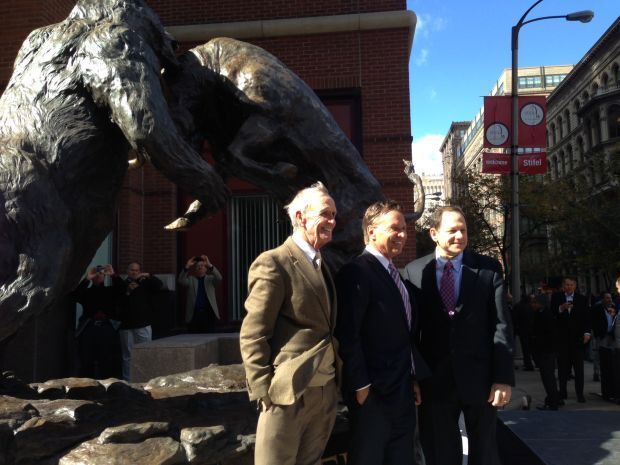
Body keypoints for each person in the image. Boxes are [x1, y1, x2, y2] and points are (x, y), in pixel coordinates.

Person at [403, 205, 514, 465]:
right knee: (441, 453)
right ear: (434, 233)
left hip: (481, 380)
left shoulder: (488, 269)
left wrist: (502, 378)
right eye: (452, 230)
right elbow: (410, 332)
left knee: (485, 453)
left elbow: (502, 325)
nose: (459, 236)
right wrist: (414, 377)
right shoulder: (414, 272)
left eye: (463, 230)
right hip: (435, 382)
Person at [239, 181, 340, 465]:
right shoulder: (273, 262)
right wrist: (264, 391)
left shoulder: (322, 264)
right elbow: (253, 332)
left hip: (325, 393)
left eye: (334, 215)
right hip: (286, 394)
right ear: (299, 217)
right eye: (325, 213)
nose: (332, 221)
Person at [336, 201, 426, 465]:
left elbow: (403, 336)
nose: (402, 234)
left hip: (402, 392)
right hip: (373, 396)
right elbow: (348, 334)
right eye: (394, 228)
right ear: (372, 231)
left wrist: (412, 378)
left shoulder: (395, 276)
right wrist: (361, 387)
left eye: (404, 229)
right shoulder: (357, 271)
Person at [112, 262, 162, 381]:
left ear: (140, 271)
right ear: (127, 271)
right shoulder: (122, 284)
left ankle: (146, 380)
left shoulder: (145, 282)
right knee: (127, 356)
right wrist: (127, 290)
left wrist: (148, 275)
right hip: (126, 325)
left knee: (145, 353)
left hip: (142, 324)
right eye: (132, 270)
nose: (134, 272)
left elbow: (159, 284)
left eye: (137, 270)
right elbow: (118, 298)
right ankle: (128, 381)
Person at [71, 265, 122, 379]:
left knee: (107, 359)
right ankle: (86, 385)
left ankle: (107, 386)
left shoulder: (110, 291)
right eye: (97, 274)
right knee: (86, 359)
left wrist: (113, 275)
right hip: (89, 328)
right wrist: (87, 279)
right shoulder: (87, 292)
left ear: (105, 277)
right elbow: (74, 296)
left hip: (107, 329)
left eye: (102, 274)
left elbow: (122, 290)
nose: (99, 276)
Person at [551, 277, 591, 403]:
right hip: (562, 340)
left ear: (575, 286)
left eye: (571, 285)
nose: (569, 287)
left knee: (579, 369)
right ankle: (562, 392)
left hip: (577, 340)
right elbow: (552, 313)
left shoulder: (582, 299)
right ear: (563, 286)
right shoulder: (556, 297)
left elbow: (586, 317)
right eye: (567, 285)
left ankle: (580, 394)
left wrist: (587, 333)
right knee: (562, 369)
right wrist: (560, 309)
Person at [531, 294, 562, 410]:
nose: (533, 305)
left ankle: (552, 401)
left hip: (546, 351)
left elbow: (547, 334)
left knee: (548, 377)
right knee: (548, 377)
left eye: (535, 302)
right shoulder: (541, 314)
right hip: (546, 350)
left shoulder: (544, 315)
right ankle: (553, 399)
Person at [177, 255, 222, 332]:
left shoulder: (210, 279)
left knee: (209, 337)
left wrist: (210, 265)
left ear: (206, 269)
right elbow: (181, 280)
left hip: (208, 314)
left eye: (202, 265)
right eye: (197, 266)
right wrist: (187, 266)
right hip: (194, 314)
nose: (200, 267)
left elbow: (219, 278)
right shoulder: (191, 280)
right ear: (195, 269)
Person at [592, 292, 617, 400]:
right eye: (607, 298)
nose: (609, 299)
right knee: (600, 355)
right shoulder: (597, 308)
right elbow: (594, 322)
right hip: (602, 335)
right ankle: (597, 372)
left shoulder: (614, 308)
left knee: (611, 357)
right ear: (602, 299)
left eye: (610, 298)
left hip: (611, 335)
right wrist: (598, 333)